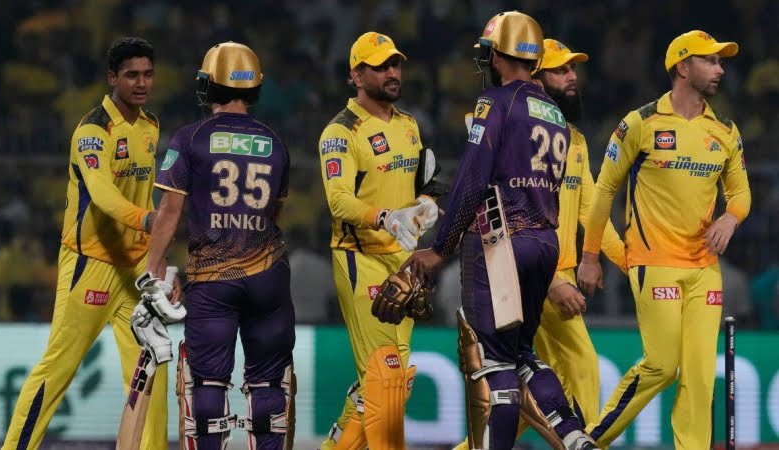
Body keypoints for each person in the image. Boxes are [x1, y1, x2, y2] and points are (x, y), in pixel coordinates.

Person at [407, 11, 598, 450]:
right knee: (523, 355)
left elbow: (473, 178)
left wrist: (439, 249)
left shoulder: (495, 101)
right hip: (544, 244)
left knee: (492, 362)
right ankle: (573, 436)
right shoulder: (555, 113)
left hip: (500, 241)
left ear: (496, 55)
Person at [577, 30, 751, 449]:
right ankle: (588, 441)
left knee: (699, 377)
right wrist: (590, 256)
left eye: (721, 62)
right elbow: (604, 190)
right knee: (662, 364)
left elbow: (741, 193)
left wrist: (731, 216)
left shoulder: (725, 131)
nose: (720, 69)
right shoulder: (640, 123)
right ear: (683, 67)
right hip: (654, 263)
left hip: (704, 269)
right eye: (710, 61)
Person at [3, 37, 170, 450]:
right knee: (58, 370)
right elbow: (102, 194)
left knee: (152, 370)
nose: (142, 83)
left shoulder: (150, 125)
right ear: (112, 77)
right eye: (131, 75)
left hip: (135, 270)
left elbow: (145, 193)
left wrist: (157, 257)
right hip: (90, 265)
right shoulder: (93, 131)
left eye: (148, 74)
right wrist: (148, 220)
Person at [147, 42, 296, 450]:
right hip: (269, 276)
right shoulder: (276, 142)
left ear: (208, 85)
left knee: (207, 386)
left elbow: (169, 211)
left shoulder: (190, 138)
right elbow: (275, 213)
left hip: (212, 281)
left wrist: (153, 270)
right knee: (269, 385)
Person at [318, 31, 441, 450]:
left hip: (404, 265)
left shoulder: (408, 124)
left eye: (395, 64)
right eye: (380, 66)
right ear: (356, 75)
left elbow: (423, 184)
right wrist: (385, 217)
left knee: (389, 385)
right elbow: (338, 201)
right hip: (361, 259)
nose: (392, 73)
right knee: (385, 378)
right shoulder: (340, 132)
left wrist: (426, 205)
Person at [532, 39, 627, 428]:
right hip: (533, 272)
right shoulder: (524, 135)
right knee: (584, 364)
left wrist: (630, 263)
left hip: (562, 272)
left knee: (537, 398)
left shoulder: (576, 140)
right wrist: (552, 279)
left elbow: (591, 211)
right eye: (560, 70)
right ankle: (588, 442)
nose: (572, 77)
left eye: (572, 69)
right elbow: (513, 216)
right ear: (536, 81)